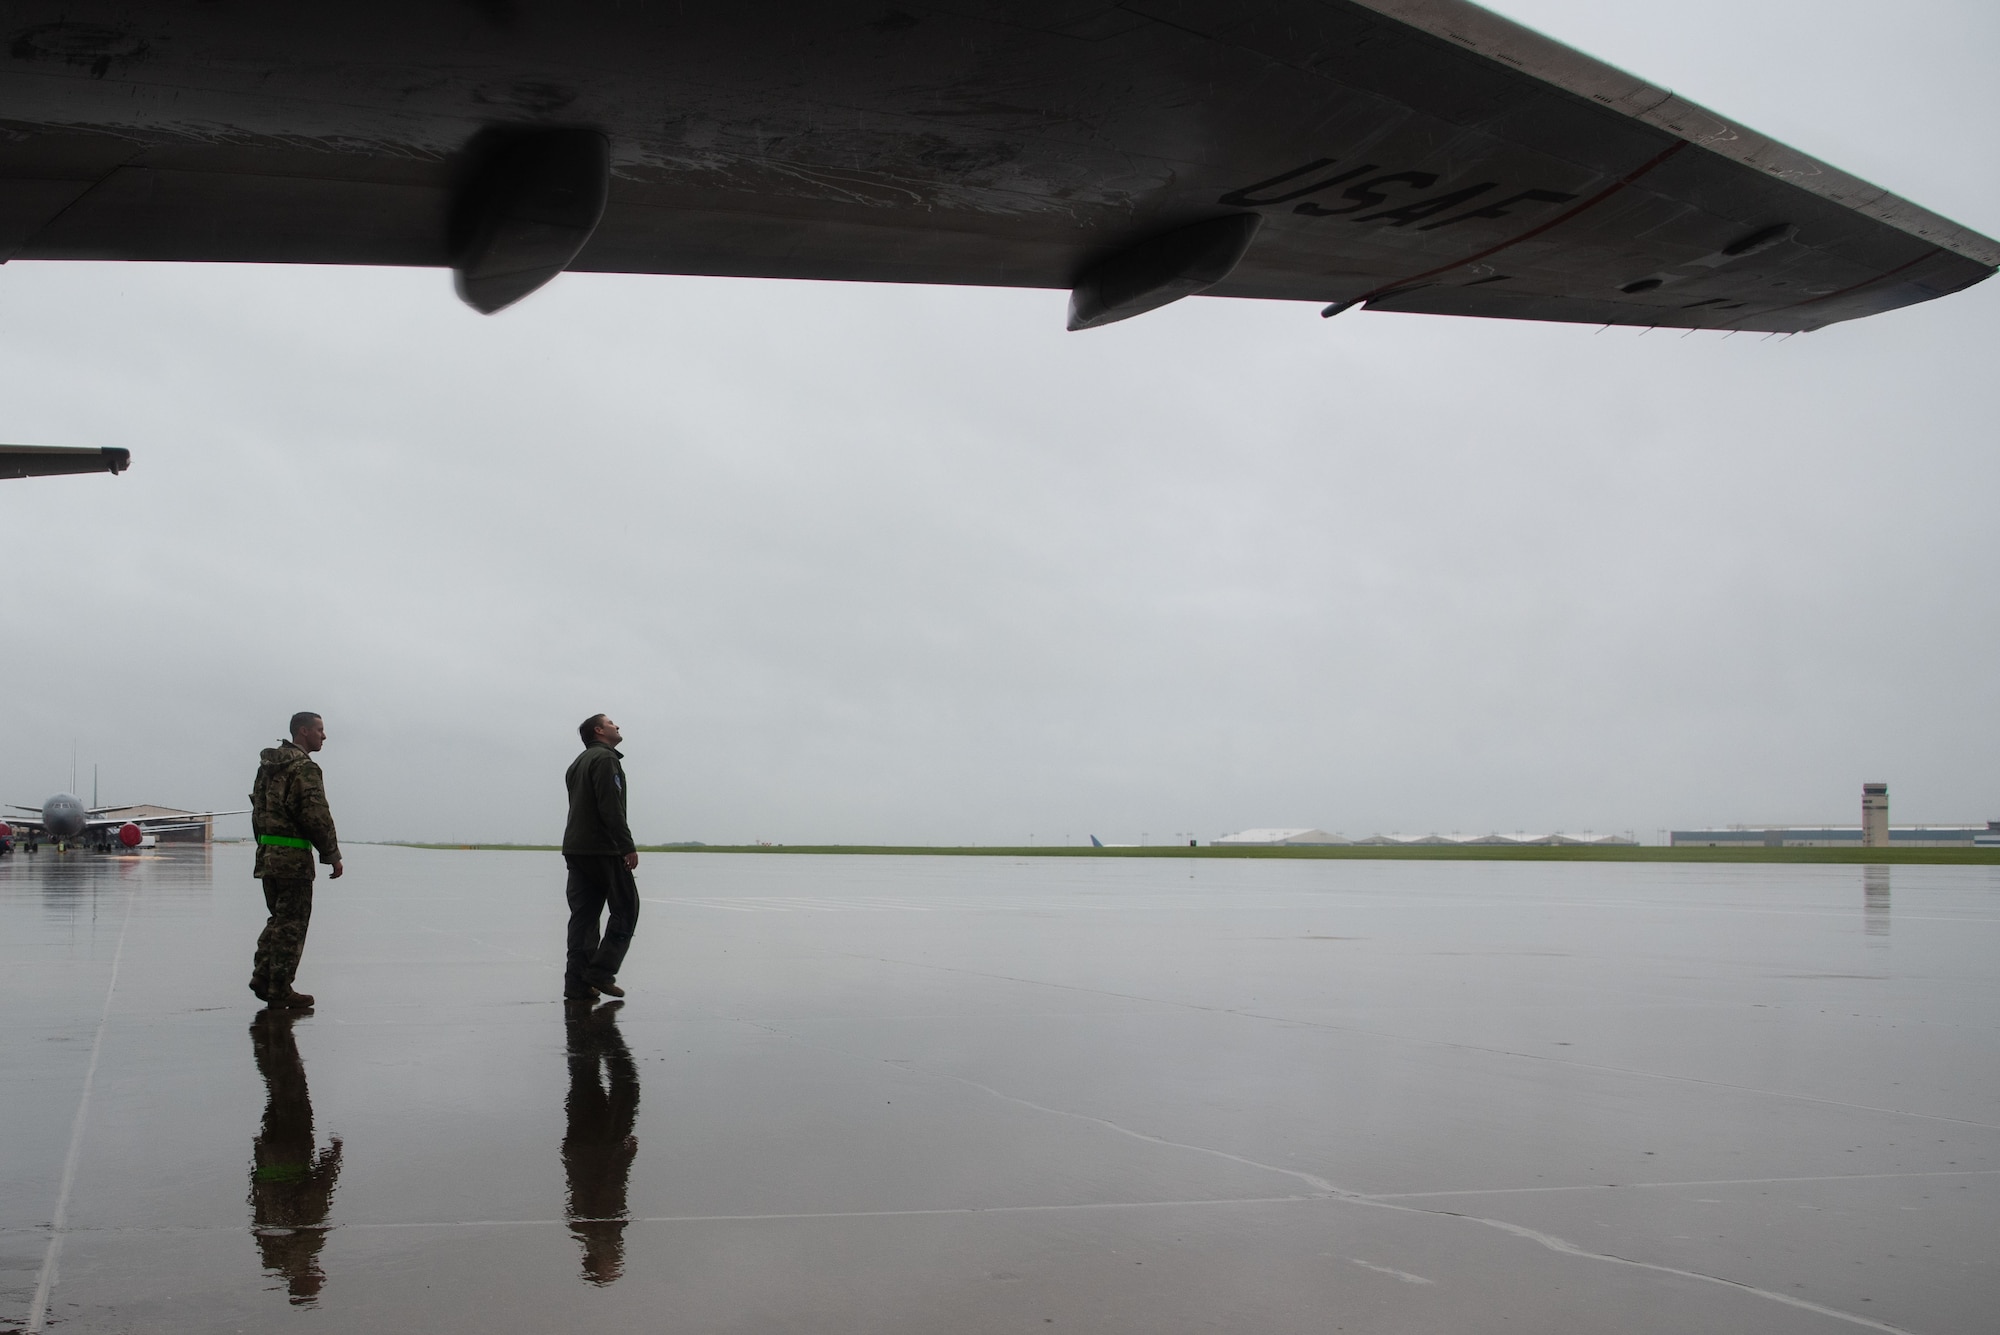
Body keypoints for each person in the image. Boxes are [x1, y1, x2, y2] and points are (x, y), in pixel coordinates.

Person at [249, 712, 343, 1007]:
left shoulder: (268, 768)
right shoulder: (305, 769)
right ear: (303, 732)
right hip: (293, 860)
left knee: (278, 920)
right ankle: (279, 989)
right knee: (292, 925)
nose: (324, 736)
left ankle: (264, 976)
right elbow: (315, 814)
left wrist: (266, 846)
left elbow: (257, 811)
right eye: (319, 730)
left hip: (268, 856)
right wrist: (331, 854)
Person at [563, 714, 639, 1001]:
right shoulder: (606, 760)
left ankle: (577, 984)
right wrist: (626, 846)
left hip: (576, 848)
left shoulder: (577, 763)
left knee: (583, 918)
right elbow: (610, 807)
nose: (617, 726)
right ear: (598, 730)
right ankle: (601, 972)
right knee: (626, 908)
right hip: (603, 848)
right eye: (611, 723)